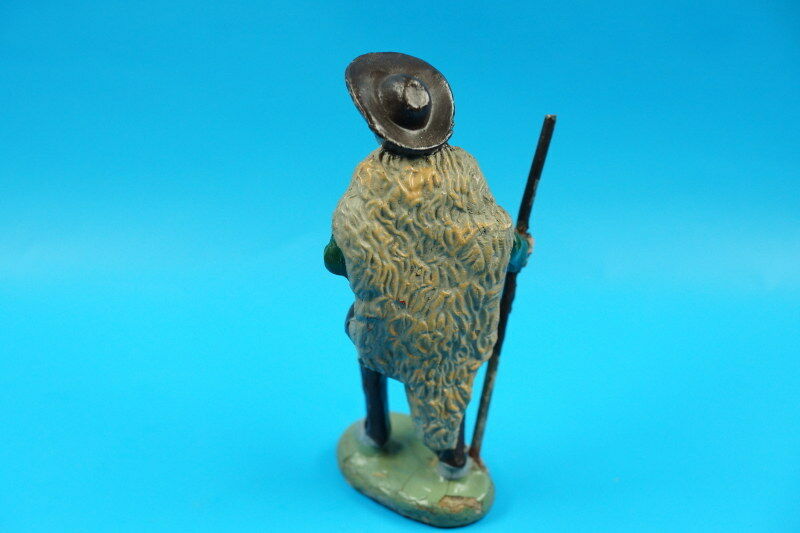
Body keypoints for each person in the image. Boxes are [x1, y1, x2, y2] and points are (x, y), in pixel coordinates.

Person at [325, 52, 531, 478]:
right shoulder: (465, 171)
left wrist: (370, 266)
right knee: (449, 376)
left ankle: (377, 430)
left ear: (378, 125)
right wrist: (520, 250)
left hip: (389, 325)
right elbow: (500, 240)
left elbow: (336, 259)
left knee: (365, 341)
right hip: (455, 327)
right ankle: (453, 460)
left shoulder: (370, 180)